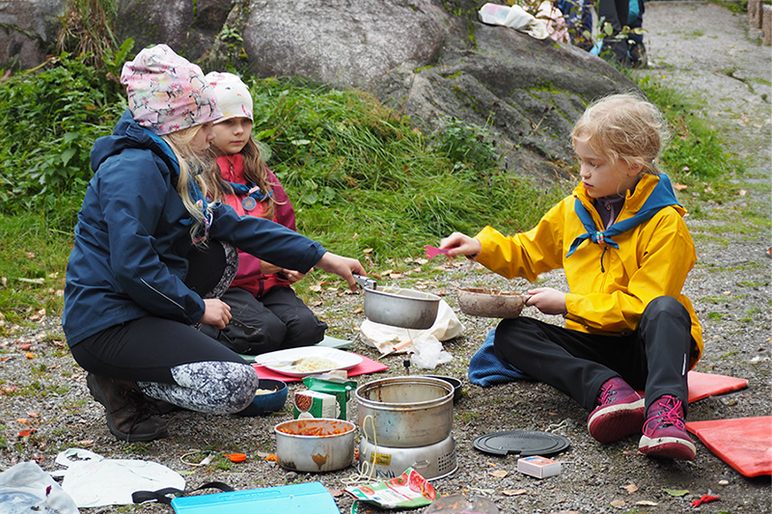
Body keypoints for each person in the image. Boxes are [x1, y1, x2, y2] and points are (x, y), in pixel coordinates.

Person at [62, 44, 366, 442]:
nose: (212, 136)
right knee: (237, 385)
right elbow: (132, 266)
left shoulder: (170, 165)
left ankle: (143, 371)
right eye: (207, 125)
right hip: (107, 323)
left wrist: (322, 257)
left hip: (142, 310)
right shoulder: (132, 170)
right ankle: (121, 382)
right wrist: (196, 307)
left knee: (219, 249)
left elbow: (233, 224)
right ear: (179, 124)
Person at [439, 93, 702, 461]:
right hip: (594, 345)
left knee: (667, 310)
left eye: (594, 163)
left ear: (631, 165)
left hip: (647, 350)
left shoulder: (666, 225)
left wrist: (567, 304)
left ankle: (664, 415)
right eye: (581, 161)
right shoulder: (573, 210)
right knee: (511, 334)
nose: (583, 172)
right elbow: (528, 252)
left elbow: (641, 306)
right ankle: (608, 391)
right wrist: (481, 247)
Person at [198, 71, 327, 355]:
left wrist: (293, 265)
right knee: (265, 333)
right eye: (228, 122)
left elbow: (286, 229)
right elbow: (198, 255)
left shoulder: (261, 176)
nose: (239, 131)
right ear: (208, 125)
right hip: (222, 288)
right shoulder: (198, 180)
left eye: (246, 122)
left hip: (269, 285)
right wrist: (260, 265)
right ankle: (197, 330)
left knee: (307, 329)